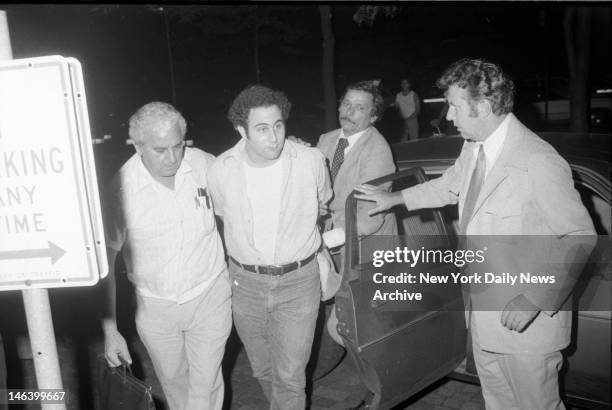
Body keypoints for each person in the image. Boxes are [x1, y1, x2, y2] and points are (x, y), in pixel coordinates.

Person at [354, 58, 595, 409]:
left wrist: (535, 299)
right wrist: (394, 198)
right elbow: (450, 186)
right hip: (483, 314)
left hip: (526, 323)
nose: (449, 116)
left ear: (482, 106)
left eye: (454, 106)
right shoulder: (474, 147)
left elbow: (579, 237)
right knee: (497, 402)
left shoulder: (538, 161)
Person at [207, 85, 332, 410]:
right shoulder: (220, 170)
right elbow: (222, 214)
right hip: (245, 284)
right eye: (262, 129)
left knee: (290, 376)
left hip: (298, 281)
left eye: (278, 125)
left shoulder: (310, 160)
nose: (273, 136)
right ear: (241, 130)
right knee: (262, 368)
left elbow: (322, 204)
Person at [102, 102, 231, 410]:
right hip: (155, 307)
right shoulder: (120, 191)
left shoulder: (203, 164)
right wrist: (110, 331)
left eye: (178, 146)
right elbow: (106, 265)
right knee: (175, 386)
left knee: (205, 388)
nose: (172, 158)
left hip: (208, 294)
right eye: (161, 150)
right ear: (138, 146)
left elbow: (245, 176)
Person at [317, 80, 397, 245]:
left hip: (363, 247)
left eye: (360, 108)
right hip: (324, 232)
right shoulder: (326, 139)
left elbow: (370, 212)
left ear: (373, 116)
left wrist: (324, 242)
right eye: (346, 104)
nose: (349, 111)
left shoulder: (378, 150)